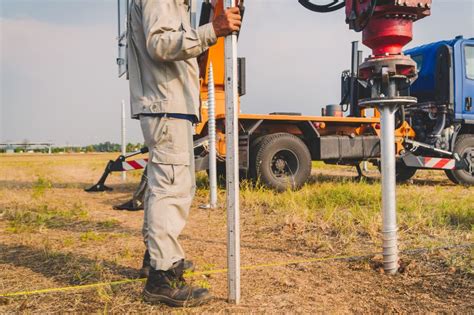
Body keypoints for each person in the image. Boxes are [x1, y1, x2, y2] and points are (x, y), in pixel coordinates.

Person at [127, 0, 242, 307]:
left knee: (164, 186)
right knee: (171, 190)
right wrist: (212, 30)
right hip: (166, 105)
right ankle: (162, 278)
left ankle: (158, 258)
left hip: (168, 106)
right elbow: (159, 44)